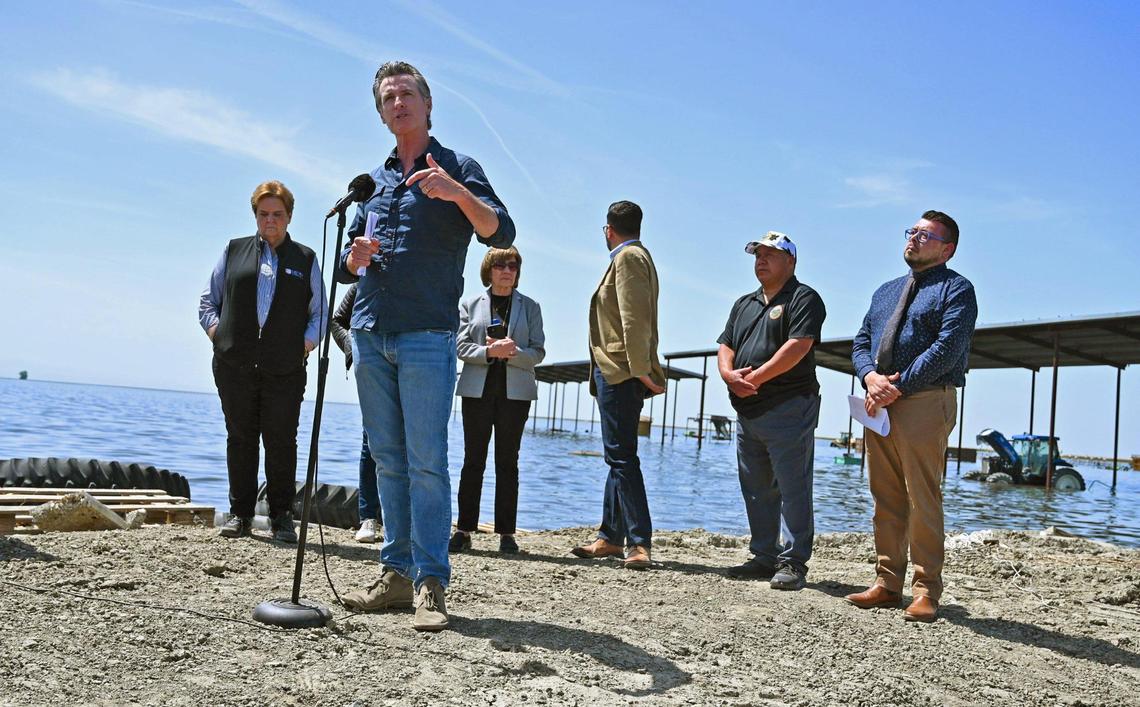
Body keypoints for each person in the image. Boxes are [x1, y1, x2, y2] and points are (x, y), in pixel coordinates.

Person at [337, 61, 515, 632]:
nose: (398, 102)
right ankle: (394, 574)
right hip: (369, 330)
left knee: (426, 462)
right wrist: (353, 259)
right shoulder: (373, 181)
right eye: (388, 97)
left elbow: (499, 231)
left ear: (427, 103)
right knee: (388, 459)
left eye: (407, 93)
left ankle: (431, 580)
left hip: (427, 336)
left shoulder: (459, 166)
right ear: (381, 111)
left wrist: (455, 192)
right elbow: (347, 264)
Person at [846, 210, 977, 623]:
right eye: (913, 231)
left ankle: (926, 591)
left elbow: (947, 348)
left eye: (926, 235)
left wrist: (896, 386)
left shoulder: (957, 290)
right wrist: (870, 378)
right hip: (879, 401)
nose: (915, 238)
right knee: (885, 495)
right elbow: (862, 340)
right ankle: (887, 583)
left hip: (924, 400)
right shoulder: (885, 291)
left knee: (922, 497)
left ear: (947, 248)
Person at [198, 180, 326, 544]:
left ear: (289, 217)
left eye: (277, 214)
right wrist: (218, 335)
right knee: (240, 437)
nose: (270, 221)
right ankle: (240, 514)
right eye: (263, 214)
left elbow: (320, 313)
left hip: (285, 368)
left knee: (282, 439)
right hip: (234, 364)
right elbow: (208, 302)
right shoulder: (233, 250)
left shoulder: (305, 258)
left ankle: (281, 516)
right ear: (255, 215)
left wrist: (304, 345)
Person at [717, 232, 826, 591]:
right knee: (755, 486)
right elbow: (726, 344)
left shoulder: (803, 298)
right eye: (757, 254)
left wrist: (757, 378)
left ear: (790, 261)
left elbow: (798, 346)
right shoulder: (744, 303)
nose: (760, 260)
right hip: (748, 408)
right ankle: (764, 554)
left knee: (793, 485)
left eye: (769, 254)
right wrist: (728, 375)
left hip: (789, 405)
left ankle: (794, 561)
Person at [571, 201, 666, 569]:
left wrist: (642, 371)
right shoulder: (636, 256)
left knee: (622, 457)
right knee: (618, 454)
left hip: (621, 371)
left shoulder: (628, 259)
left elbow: (634, 319)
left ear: (608, 229)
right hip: (620, 370)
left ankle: (639, 542)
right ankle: (610, 537)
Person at [451, 246, 545, 554]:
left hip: (515, 394)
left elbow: (538, 351)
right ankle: (464, 530)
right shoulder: (469, 303)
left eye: (513, 265)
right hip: (477, 391)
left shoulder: (530, 306)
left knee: (508, 462)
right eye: (501, 265)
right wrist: (490, 352)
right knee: (472, 460)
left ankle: (507, 533)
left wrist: (514, 353)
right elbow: (460, 346)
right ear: (489, 270)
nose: (507, 270)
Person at [329, 283, 382, 543]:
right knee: (370, 443)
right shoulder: (363, 283)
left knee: (412, 445)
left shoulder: (417, 272)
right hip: (373, 369)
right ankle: (368, 517)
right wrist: (353, 349)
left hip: (410, 367)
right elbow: (337, 320)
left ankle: (404, 521)